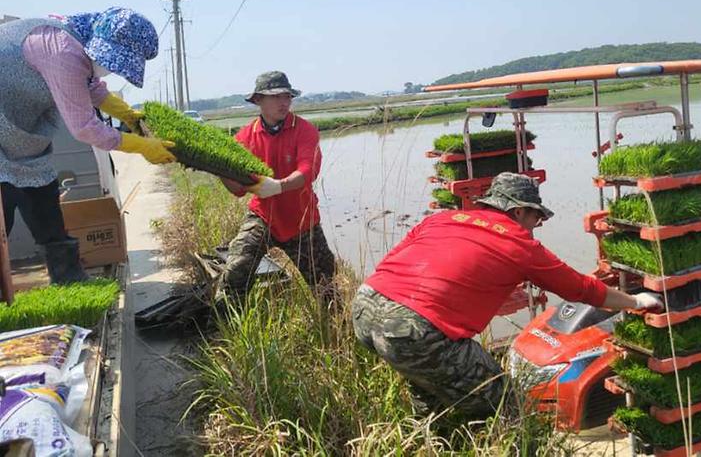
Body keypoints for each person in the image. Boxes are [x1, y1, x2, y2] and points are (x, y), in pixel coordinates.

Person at [352, 172, 663, 419]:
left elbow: (411, 268)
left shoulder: (442, 219)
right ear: (518, 211)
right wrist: (636, 301)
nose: (535, 227)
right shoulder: (518, 245)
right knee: (507, 405)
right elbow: (581, 289)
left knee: (428, 386)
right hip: (414, 329)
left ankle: (434, 440)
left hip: (366, 307)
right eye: (536, 218)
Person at [0, 8, 176, 284]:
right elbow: (84, 128)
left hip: (19, 133)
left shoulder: (75, 41)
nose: (111, 69)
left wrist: (127, 114)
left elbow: (89, 85)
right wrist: (142, 146)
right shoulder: (62, 51)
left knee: (43, 197)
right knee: (3, 210)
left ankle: (68, 277)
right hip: (6, 128)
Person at [215, 71, 337, 304]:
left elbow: (308, 171)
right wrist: (217, 169)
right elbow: (237, 189)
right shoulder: (245, 138)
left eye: (287, 96)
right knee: (236, 267)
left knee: (325, 284)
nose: (284, 102)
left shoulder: (304, 130)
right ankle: (224, 318)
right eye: (275, 97)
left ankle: (334, 323)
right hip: (263, 216)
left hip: (301, 220)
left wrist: (280, 186)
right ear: (258, 100)